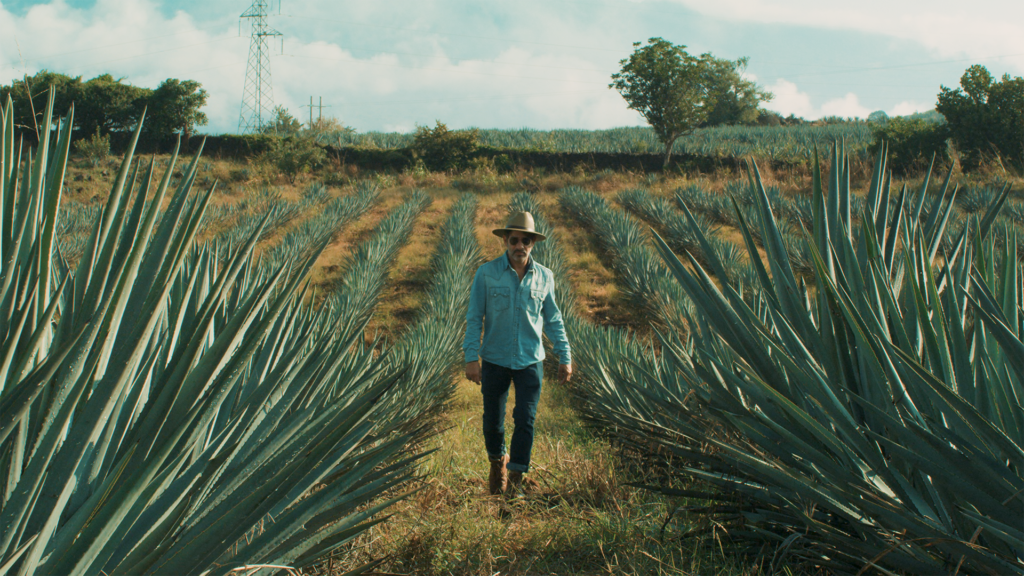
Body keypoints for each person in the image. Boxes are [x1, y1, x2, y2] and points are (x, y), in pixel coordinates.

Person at [463, 211, 572, 496]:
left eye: (526, 240)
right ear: (505, 241)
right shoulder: (486, 274)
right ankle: (497, 461)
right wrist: (471, 357)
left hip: (530, 360)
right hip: (495, 359)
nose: (519, 245)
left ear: (533, 243)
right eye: (514, 240)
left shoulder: (545, 277)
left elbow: (553, 319)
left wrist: (565, 355)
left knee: (525, 420)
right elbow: (474, 317)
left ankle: (515, 481)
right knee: (493, 423)